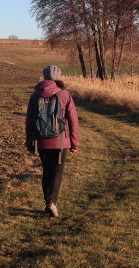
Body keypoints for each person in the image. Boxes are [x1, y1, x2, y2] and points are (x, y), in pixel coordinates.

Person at [25, 65, 80, 217]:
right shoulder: (65, 94)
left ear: (44, 77)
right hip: (60, 141)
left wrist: (29, 142)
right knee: (57, 172)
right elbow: (73, 121)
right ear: (58, 77)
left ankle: (47, 202)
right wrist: (74, 143)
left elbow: (29, 121)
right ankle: (52, 203)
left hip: (41, 141)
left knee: (47, 172)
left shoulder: (35, 95)